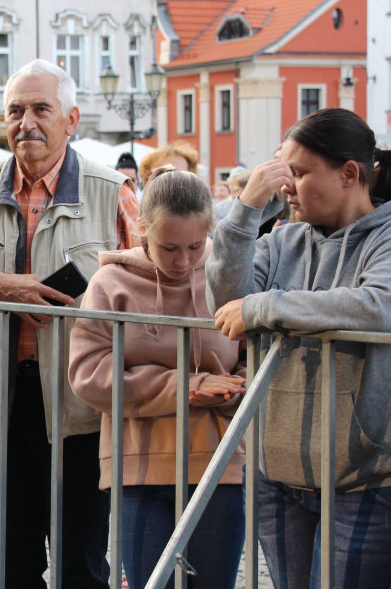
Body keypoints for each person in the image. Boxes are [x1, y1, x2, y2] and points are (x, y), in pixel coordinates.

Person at [0, 58, 140, 588]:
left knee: (81, 561)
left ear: (72, 119)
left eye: (42, 108)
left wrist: (97, 305)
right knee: (11, 563)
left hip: (81, 401)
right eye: (15, 110)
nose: (27, 122)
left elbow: (153, 275)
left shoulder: (113, 191)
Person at [207, 107, 391, 588]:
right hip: (278, 477)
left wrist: (268, 307)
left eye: (301, 172)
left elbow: (381, 305)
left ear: (349, 174)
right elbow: (229, 298)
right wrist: (246, 209)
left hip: (370, 480)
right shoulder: (285, 238)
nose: (287, 185)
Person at [70, 167, 246, 589]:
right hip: (139, 467)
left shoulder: (229, 274)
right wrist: (185, 387)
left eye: (194, 245)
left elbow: (260, 355)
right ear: (142, 230)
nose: (183, 261)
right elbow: (87, 372)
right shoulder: (111, 282)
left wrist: (235, 386)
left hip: (217, 463)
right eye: (169, 248)